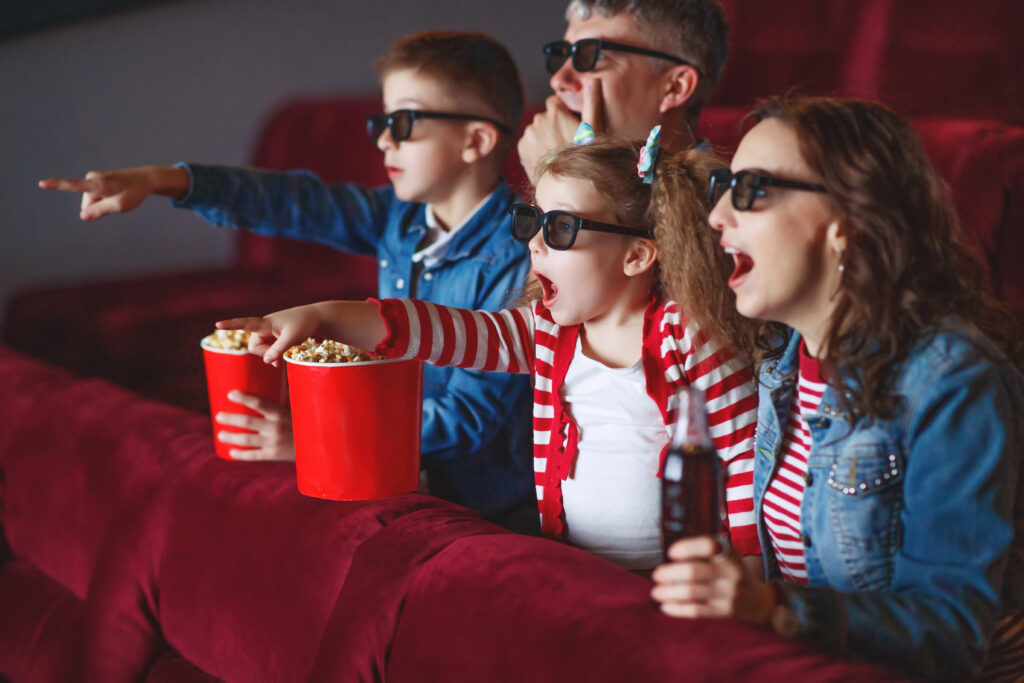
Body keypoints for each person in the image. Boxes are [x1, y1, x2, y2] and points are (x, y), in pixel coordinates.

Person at [38, 31, 538, 532]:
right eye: (381, 122)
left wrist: (314, 440)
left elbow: (470, 418)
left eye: (403, 122)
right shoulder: (399, 219)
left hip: (486, 506)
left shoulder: (518, 254)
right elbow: (296, 202)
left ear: (476, 140)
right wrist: (164, 180)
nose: (384, 139)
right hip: (397, 467)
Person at [217, 133, 762, 572]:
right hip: (576, 566)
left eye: (562, 227)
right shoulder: (548, 332)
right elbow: (442, 331)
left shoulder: (688, 335)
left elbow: (742, 461)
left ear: (638, 255)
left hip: (675, 578)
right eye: (533, 221)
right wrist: (325, 316)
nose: (535, 244)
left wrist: (743, 579)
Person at [650, 96, 1024, 680]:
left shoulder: (952, 381)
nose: (718, 214)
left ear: (847, 220)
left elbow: (949, 634)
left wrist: (766, 605)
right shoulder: (783, 364)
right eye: (724, 185)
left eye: (750, 189)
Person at [518, 0, 729, 185]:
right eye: (564, 54)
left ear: (675, 87)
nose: (559, 80)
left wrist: (563, 180)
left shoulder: (723, 209)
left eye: (594, 55)